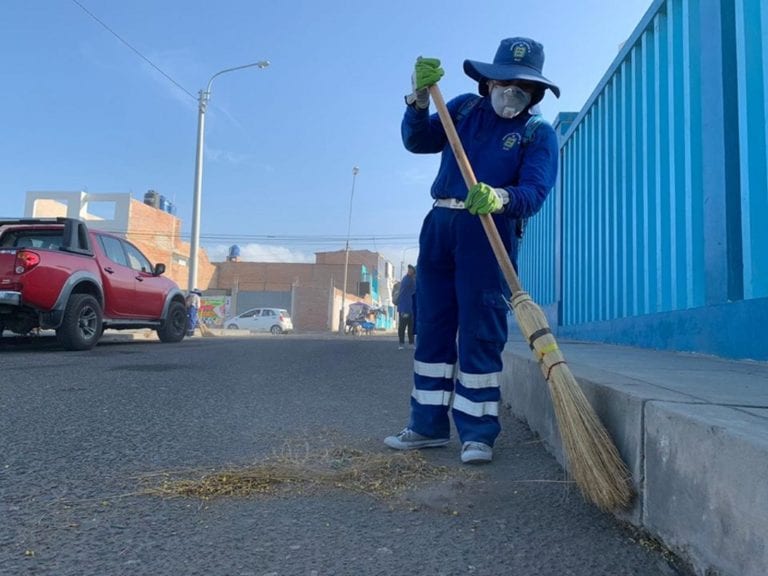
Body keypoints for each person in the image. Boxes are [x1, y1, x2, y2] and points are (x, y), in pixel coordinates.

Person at [384, 38, 560, 464]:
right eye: (504, 81)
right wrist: (418, 100)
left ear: (535, 92)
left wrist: (500, 197)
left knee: (480, 330)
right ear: (488, 81)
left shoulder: (537, 134)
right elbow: (418, 140)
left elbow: (534, 192)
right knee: (433, 325)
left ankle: (478, 433)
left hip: (488, 231)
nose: (511, 92)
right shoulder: (461, 109)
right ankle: (426, 426)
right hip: (440, 226)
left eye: (523, 86)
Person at [396, 264, 417, 349]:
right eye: (409, 269)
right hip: (404, 308)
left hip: (410, 308)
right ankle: (401, 343)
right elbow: (413, 289)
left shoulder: (412, 280)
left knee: (411, 327)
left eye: (411, 270)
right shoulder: (407, 280)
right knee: (402, 326)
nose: (410, 271)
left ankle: (411, 343)